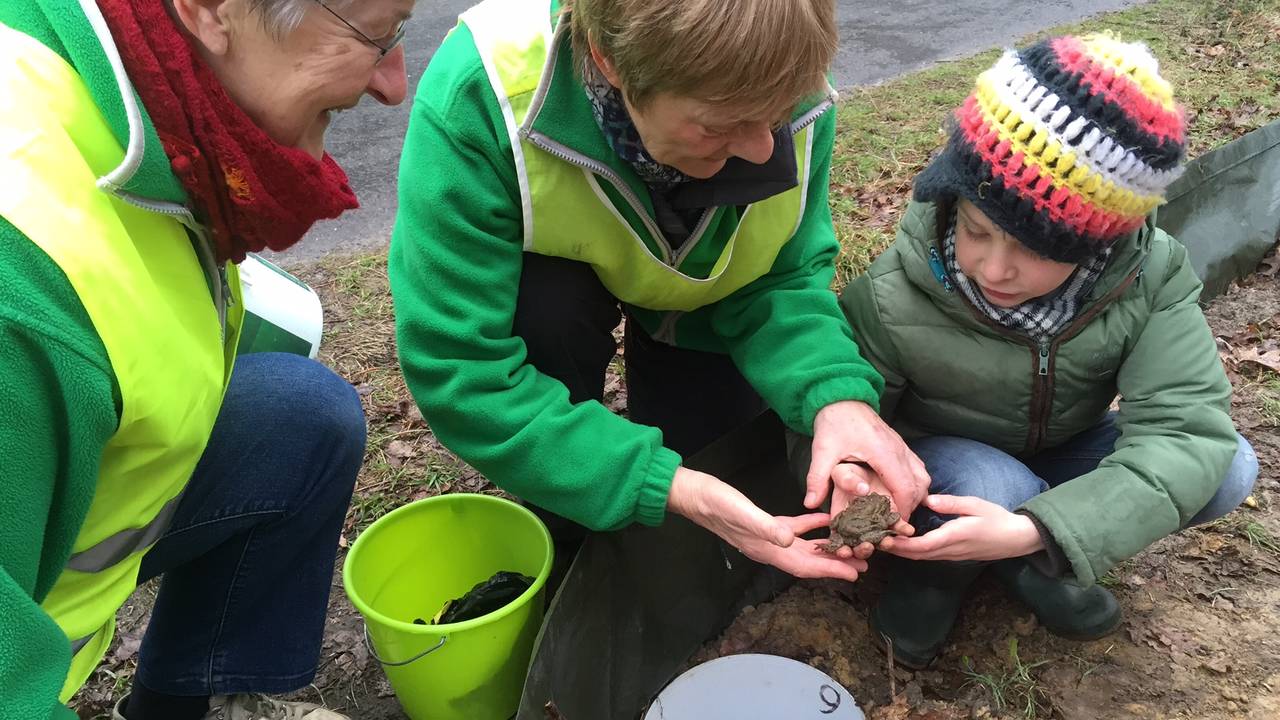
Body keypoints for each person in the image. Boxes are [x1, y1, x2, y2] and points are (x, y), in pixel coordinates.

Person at [390, 0, 930, 585]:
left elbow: (781, 275)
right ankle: (569, 543)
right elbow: (464, 369)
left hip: (703, 298)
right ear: (608, 59)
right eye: (718, 125)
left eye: (775, 117)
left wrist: (836, 398)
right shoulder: (482, 95)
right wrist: (651, 481)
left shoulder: (784, 74)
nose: (762, 151)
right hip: (554, 286)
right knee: (549, 322)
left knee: (711, 467)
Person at [0, 0, 414, 718]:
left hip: (64, 518)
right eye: (374, 35)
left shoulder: (155, 112)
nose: (395, 83)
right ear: (211, 11)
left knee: (299, 420)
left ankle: (187, 704)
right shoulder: (21, 298)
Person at [829, 34, 1259, 669]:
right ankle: (934, 575)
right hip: (943, 467)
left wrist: (1040, 528)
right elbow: (847, 413)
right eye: (975, 231)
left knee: (1229, 468)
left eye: (1035, 250)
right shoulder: (896, 290)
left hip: (1061, 449)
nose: (993, 269)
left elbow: (1187, 431)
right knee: (993, 483)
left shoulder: (1151, 279)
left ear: (1096, 246)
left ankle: (1030, 556)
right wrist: (861, 474)